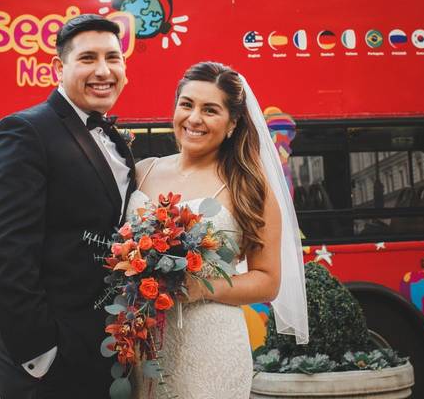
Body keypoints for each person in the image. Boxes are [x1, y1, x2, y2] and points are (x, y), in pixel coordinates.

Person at [0, 14, 136, 399]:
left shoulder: (114, 139)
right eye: (88, 58)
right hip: (50, 364)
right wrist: (41, 353)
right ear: (58, 68)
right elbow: (5, 253)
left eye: (113, 58)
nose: (104, 70)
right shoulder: (25, 131)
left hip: (105, 351)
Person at [129, 61, 307, 399]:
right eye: (187, 104)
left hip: (209, 348)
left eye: (210, 110)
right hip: (143, 346)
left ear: (232, 123)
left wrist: (200, 287)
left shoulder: (249, 187)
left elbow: (267, 280)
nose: (194, 118)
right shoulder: (142, 171)